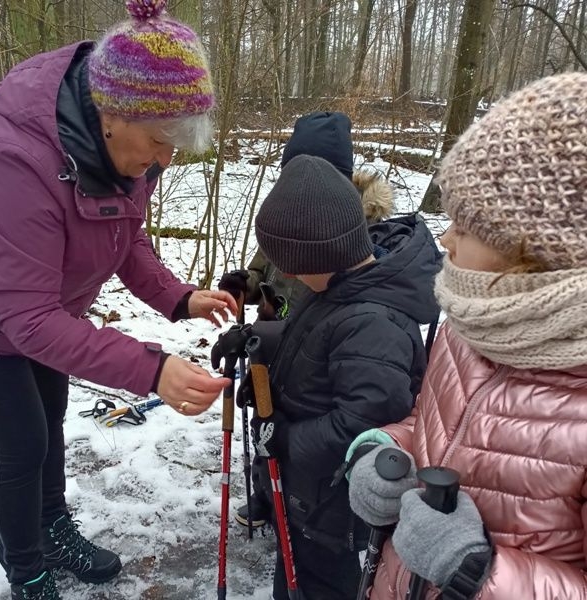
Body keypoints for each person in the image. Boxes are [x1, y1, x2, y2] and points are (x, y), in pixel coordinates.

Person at [0, 1, 236, 598]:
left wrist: (178, 299)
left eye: (174, 148)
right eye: (160, 142)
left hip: (44, 310)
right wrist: (152, 370)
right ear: (112, 114)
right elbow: (23, 318)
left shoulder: (127, 154)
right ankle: (25, 566)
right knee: (20, 443)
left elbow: (123, 234)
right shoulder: (16, 155)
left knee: (49, 420)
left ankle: (52, 527)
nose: (164, 161)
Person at [346, 71, 587, 600]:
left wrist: (475, 573)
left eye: (467, 224)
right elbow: (438, 428)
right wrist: (384, 450)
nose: (446, 238)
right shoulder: (472, 324)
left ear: (534, 253)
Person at [239, 153, 440, 599]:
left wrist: (287, 438)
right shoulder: (339, 285)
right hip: (307, 500)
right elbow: (314, 338)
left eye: (291, 262)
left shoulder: (375, 325)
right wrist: (260, 339)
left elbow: (364, 425)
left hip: (337, 515)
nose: (286, 273)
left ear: (323, 252)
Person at [228, 110, 395, 530]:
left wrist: (260, 333)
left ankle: (296, 502)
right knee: (264, 426)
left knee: (294, 439)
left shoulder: (351, 230)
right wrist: (241, 285)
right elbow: (263, 268)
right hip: (271, 351)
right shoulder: (290, 211)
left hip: (310, 364)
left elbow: (331, 318)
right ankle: (266, 494)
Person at [218, 111, 394, 322]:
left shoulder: (361, 234)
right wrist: (244, 285)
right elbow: (265, 273)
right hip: (269, 343)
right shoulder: (286, 215)